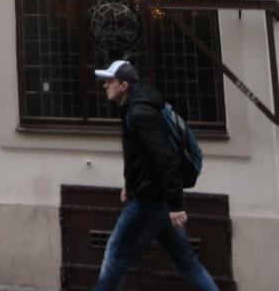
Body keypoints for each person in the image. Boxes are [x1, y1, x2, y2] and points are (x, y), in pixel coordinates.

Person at [92, 60, 219, 291]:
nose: (105, 85)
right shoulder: (139, 105)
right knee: (188, 264)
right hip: (159, 200)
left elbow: (165, 158)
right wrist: (130, 184)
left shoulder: (139, 113)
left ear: (124, 86)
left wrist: (176, 204)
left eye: (110, 81)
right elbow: (140, 157)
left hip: (149, 202)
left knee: (116, 254)